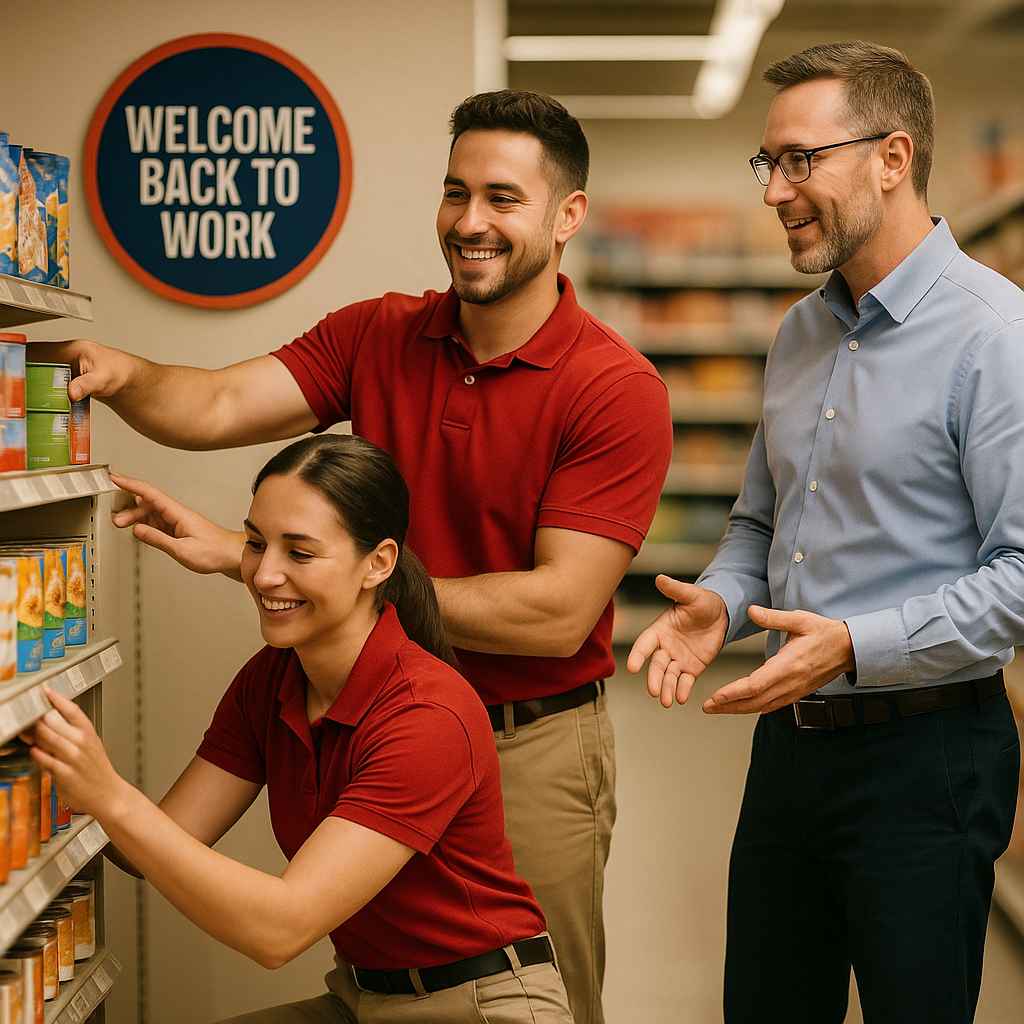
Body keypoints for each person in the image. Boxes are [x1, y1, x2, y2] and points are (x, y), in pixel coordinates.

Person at [37, 90, 672, 1024]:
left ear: (567, 216)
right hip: (365, 710)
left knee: (536, 988)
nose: (469, 222)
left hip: (526, 734)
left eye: (503, 198)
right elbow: (214, 405)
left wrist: (297, 575)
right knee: (380, 980)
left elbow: (558, 613)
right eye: (455, 194)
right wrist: (126, 375)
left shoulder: (612, 388)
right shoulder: (380, 332)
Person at [627, 41, 1023, 1024]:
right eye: (768, 164)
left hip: (928, 756)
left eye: (800, 159)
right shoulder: (798, 332)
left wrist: (851, 645)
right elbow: (760, 521)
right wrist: (718, 599)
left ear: (891, 157)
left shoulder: (993, 335)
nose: (775, 190)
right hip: (789, 752)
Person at [29, 434, 574, 1023]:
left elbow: (279, 930)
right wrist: (53, 765)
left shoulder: (428, 713)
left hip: (478, 1005)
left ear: (379, 563)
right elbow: (151, 846)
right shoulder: (272, 681)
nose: (264, 575)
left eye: (300, 553)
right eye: (256, 543)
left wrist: (109, 795)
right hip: (359, 998)